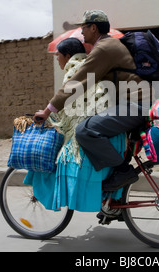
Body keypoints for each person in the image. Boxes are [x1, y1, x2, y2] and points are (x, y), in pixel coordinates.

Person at [34, 10, 148, 191]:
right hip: (132, 104)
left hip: (134, 106)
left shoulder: (104, 48)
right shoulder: (108, 46)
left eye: (83, 28)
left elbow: (78, 82)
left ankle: (123, 171)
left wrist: (47, 111)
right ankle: (112, 206)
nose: (81, 33)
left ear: (93, 28)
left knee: (85, 130)